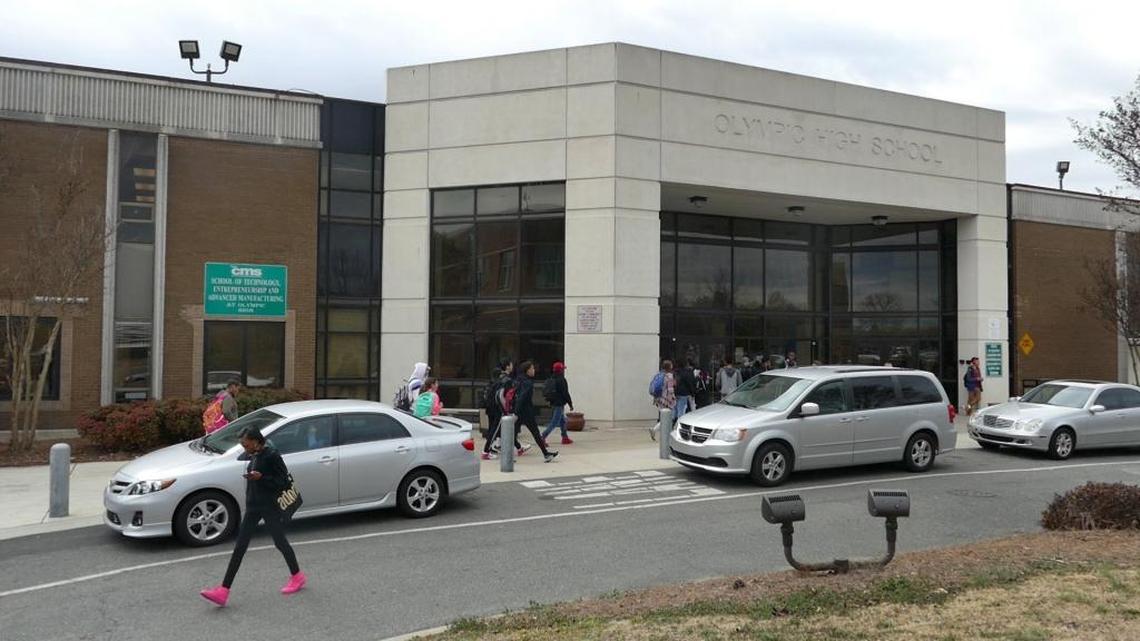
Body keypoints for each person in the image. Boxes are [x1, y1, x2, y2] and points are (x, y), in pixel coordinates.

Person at [200, 427, 304, 607]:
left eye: (245, 444)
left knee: (280, 542)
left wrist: (261, 478)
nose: (244, 448)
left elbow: (282, 481)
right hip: (253, 508)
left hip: (269, 507)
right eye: (242, 445)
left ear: (256, 441)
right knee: (239, 547)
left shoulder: (272, 455)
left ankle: (297, 576)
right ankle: (223, 591)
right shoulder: (254, 453)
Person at [513, 361, 558, 462]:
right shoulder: (527, 383)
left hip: (518, 411)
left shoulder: (517, 380)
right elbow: (522, 397)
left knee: (512, 433)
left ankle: (517, 450)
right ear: (527, 370)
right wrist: (516, 412)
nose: (534, 370)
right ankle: (546, 454)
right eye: (532, 368)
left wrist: (515, 412)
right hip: (526, 412)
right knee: (535, 433)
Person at [540, 361, 574, 445]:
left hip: (553, 402)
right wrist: (570, 404)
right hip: (559, 403)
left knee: (562, 421)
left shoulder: (552, 378)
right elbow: (565, 393)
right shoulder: (562, 380)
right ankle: (543, 436)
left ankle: (564, 437)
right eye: (563, 369)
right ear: (561, 370)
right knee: (555, 422)